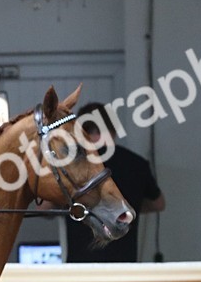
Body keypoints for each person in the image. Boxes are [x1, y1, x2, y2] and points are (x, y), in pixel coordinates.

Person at [63, 101, 165, 262]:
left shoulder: (71, 166)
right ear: (114, 130)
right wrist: (130, 206)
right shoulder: (136, 163)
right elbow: (159, 204)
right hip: (124, 268)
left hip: (80, 269)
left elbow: (45, 207)